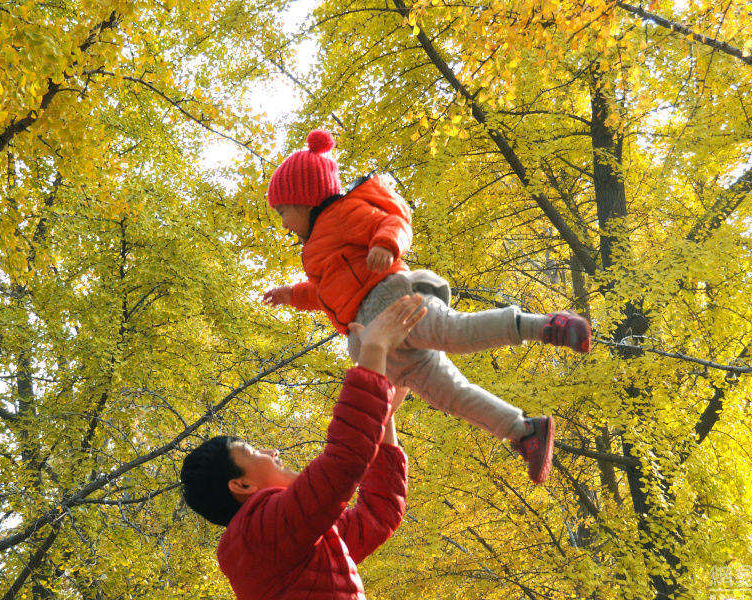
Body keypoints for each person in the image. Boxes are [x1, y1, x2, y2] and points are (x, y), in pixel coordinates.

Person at [262, 129, 592, 484]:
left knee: (455, 332)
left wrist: (386, 244)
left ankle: (545, 325)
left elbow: (392, 222)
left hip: (393, 303)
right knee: (446, 394)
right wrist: (292, 295)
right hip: (378, 341)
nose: (283, 223)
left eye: (283, 211)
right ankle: (524, 431)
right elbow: (324, 292)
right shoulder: (313, 251)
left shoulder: (341, 216)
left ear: (306, 198)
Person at [180, 294, 427, 600]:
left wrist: (384, 410)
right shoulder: (261, 535)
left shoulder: (288, 535)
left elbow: (379, 515)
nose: (273, 453)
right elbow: (343, 462)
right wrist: (373, 351)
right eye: (255, 452)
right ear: (242, 484)